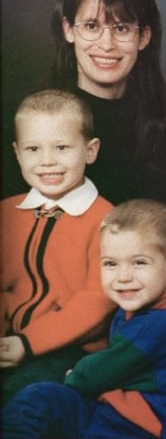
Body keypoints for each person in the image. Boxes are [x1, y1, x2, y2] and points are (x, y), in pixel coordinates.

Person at [3, 0, 166, 237]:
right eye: (92, 26)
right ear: (68, 30)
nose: (107, 44)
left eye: (121, 28)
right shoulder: (30, 116)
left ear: (143, 37)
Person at [2, 199, 166, 439]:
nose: (123, 277)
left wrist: (75, 374)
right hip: (116, 405)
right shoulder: (141, 303)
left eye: (139, 263)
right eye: (110, 264)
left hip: (151, 422)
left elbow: (94, 374)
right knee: (41, 397)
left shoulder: (161, 325)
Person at [0, 89, 115, 404]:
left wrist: (27, 342)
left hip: (68, 350)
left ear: (90, 151)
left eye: (62, 147)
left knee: (22, 398)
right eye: (33, 149)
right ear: (17, 153)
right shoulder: (7, 212)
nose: (47, 161)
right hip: (10, 342)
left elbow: (97, 303)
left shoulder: (107, 221)